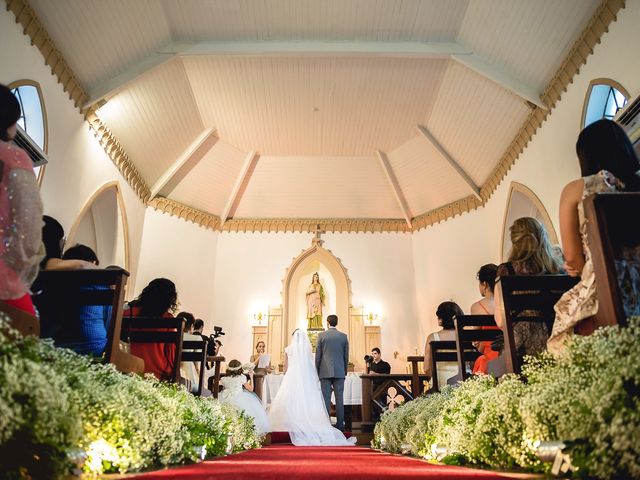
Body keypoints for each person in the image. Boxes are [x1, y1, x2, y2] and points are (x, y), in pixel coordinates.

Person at [550, 119, 640, 354]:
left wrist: (584, 265)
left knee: (563, 338)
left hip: (608, 287)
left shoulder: (576, 190)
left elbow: (572, 256)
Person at [268, 329, 355, 446]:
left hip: (291, 378)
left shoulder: (288, 350)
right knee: (307, 400)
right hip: (305, 378)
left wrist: (288, 374)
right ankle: (309, 422)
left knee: (291, 400)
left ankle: (290, 423)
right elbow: (312, 365)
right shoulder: (307, 349)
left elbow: (285, 369)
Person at [0, 84, 43, 316]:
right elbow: (29, 234)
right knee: (26, 328)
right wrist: (15, 271)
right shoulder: (14, 159)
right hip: (2, 285)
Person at [494, 217, 563, 361]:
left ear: (514, 242)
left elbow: (501, 321)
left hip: (520, 346)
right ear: (542, 237)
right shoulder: (558, 269)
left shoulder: (507, 271)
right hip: (558, 337)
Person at [58, 244, 111, 356]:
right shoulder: (100, 286)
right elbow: (108, 319)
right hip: (94, 345)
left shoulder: (56, 283)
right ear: (93, 263)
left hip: (56, 345)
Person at [124, 278, 179, 380]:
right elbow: (170, 355)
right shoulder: (168, 319)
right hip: (156, 373)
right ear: (170, 299)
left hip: (127, 368)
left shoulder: (127, 314)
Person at [315, 315, 349, 431]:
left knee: (325, 398)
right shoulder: (343, 337)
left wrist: (317, 370)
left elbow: (318, 355)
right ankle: (340, 427)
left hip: (324, 372)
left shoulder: (321, 336)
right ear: (337, 322)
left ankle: (325, 426)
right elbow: (346, 356)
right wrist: (344, 371)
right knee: (340, 399)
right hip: (339, 372)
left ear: (327, 322)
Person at [219, 360, 270, 435]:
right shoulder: (241, 377)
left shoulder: (224, 379)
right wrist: (251, 377)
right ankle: (242, 432)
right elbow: (251, 389)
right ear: (239, 369)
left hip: (225, 397)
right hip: (240, 397)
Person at [423, 301, 463, 388]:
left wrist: (436, 377)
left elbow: (426, 368)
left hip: (441, 383)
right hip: (464, 382)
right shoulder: (466, 336)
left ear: (442, 318)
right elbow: (471, 363)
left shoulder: (433, 337)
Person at [469, 264, 500, 374]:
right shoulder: (505, 303)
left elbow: (477, 340)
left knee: (480, 360)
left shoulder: (476, 307)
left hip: (489, 358)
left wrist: (477, 343)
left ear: (484, 284)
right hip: (508, 355)